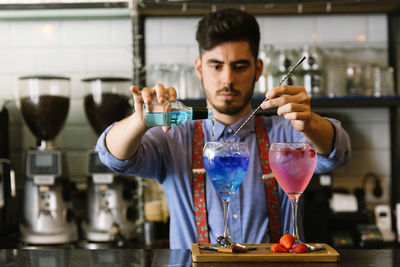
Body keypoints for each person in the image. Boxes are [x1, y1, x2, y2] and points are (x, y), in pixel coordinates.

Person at [96, 8, 351, 249]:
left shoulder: (285, 134)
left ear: (258, 69)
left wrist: (310, 122)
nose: (227, 79)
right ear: (199, 68)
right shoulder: (173, 139)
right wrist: (141, 120)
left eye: (239, 66)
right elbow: (112, 157)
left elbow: (338, 153)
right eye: (216, 66)